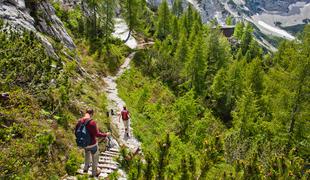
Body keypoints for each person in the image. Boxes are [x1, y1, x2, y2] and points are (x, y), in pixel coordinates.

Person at [75, 109, 110, 177]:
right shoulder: (92, 122)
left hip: (84, 144)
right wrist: (106, 134)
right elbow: (97, 134)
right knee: (95, 157)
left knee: (87, 154)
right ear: (91, 114)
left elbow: (76, 132)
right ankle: (94, 172)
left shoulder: (79, 121)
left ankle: (85, 168)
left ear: (86, 113)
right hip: (92, 144)